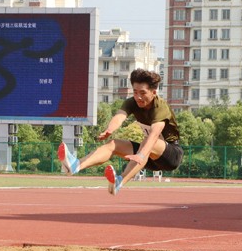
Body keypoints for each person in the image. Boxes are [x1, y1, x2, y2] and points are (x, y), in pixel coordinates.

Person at [58, 68, 183, 196]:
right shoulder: (132, 102)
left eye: (143, 93)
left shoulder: (160, 107)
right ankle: (76, 165)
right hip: (147, 156)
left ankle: (122, 178)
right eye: (135, 92)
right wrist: (110, 129)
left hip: (171, 155)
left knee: (147, 142)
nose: (138, 97)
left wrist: (141, 155)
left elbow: (154, 134)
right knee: (113, 144)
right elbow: (120, 116)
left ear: (154, 92)